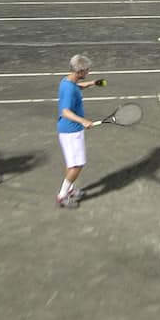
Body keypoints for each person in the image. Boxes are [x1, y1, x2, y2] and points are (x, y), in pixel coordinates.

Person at [55, 54, 103, 208]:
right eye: (87, 71)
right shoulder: (69, 89)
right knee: (77, 165)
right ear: (80, 72)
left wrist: (92, 83)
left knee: (72, 164)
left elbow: (77, 87)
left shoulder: (67, 80)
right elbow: (65, 112)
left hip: (68, 130)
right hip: (71, 132)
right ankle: (62, 196)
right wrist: (84, 121)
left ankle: (69, 190)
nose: (88, 72)